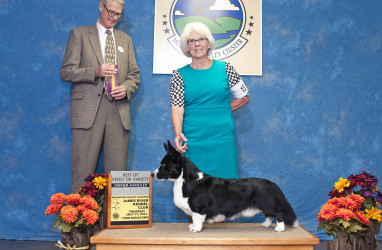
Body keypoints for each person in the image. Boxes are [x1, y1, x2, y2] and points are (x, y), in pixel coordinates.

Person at [60, 0, 140, 193]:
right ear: (100, 6)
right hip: (88, 109)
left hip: (118, 109)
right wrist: (94, 71)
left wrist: (126, 88)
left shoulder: (125, 39)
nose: (113, 17)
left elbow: (134, 75)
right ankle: (80, 221)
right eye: (110, 11)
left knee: (117, 172)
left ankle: (114, 221)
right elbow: (66, 72)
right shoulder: (79, 34)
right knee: (83, 170)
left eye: (118, 14)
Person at [170, 22, 249, 179]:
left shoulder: (227, 68)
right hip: (192, 140)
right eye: (191, 41)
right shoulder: (178, 75)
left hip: (222, 139)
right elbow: (177, 107)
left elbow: (243, 97)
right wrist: (178, 133)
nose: (197, 44)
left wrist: (221, 110)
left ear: (209, 43)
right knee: (194, 190)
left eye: (201, 39)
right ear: (186, 47)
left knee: (226, 188)